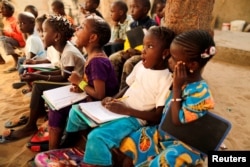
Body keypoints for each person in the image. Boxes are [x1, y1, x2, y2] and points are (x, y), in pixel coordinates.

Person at [62, 26, 174, 167]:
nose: (143, 51)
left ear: (164, 53)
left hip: (134, 118)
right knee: (76, 111)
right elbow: (128, 86)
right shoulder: (140, 65)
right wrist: (113, 98)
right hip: (118, 108)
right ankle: (68, 145)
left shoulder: (165, 79)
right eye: (144, 45)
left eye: (150, 46)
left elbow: (157, 116)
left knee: (97, 137)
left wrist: (126, 111)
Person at [119, 29, 216, 167]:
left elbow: (176, 121)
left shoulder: (200, 92)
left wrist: (176, 88)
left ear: (192, 65)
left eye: (174, 58)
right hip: (164, 134)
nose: (169, 60)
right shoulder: (175, 77)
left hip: (184, 145)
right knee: (131, 142)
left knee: (163, 161)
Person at [0, 15, 85, 143]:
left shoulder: (68, 51)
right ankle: (35, 115)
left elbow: (64, 77)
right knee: (38, 83)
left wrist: (37, 76)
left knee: (39, 85)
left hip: (77, 87)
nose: (41, 35)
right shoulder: (63, 49)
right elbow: (62, 71)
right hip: (71, 82)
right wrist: (37, 74)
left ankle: (30, 125)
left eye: (44, 32)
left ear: (56, 36)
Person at [48, 15, 119, 149]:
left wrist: (80, 82)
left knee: (57, 110)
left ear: (92, 37)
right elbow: (92, 85)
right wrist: (81, 87)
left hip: (100, 105)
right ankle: (60, 144)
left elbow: (100, 94)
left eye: (81, 27)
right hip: (92, 100)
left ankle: (55, 150)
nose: (76, 30)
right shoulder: (92, 56)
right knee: (56, 108)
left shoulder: (97, 61)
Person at [109, 0, 157, 90]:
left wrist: (138, 52)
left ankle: (124, 90)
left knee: (129, 63)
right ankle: (113, 87)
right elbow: (128, 41)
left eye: (135, 7)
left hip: (143, 54)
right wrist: (127, 51)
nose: (131, 10)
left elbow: (151, 46)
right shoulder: (133, 24)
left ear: (145, 10)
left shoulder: (152, 25)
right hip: (132, 51)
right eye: (131, 7)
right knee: (113, 58)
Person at [12, 12, 46, 90]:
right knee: (21, 61)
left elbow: (31, 59)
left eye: (23, 23)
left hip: (39, 66)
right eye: (18, 23)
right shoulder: (32, 36)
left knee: (26, 65)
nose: (20, 26)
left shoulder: (32, 39)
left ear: (32, 23)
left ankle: (30, 86)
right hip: (40, 62)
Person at [0, 0, 25, 72]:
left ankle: (17, 60)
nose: (1, 11)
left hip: (20, 42)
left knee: (2, 39)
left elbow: (21, 38)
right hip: (13, 41)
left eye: (3, 8)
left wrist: (8, 33)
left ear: (10, 10)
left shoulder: (15, 21)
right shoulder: (5, 20)